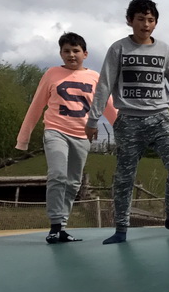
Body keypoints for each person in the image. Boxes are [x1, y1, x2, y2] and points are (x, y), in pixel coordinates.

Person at [85, 0, 169, 244]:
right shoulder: (119, 49)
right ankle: (121, 228)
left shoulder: (164, 50)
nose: (146, 24)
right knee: (125, 175)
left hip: (161, 118)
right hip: (129, 120)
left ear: (156, 23)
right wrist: (93, 119)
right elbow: (104, 85)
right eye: (141, 19)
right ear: (130, 21)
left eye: (150, 20)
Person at [16, 32, 117, 244]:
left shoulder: (95, 77)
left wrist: (129, 132)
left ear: (85, 53)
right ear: (61, 54)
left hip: (82, 135)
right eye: (66, 51)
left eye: (76, 51)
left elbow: (108, 106)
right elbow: (36, 106)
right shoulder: (52, 74)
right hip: (55, 130)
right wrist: (23, 138)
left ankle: (62, 227)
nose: (71, 55)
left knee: (73, 182)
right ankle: (53, 226)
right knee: (58, 175)